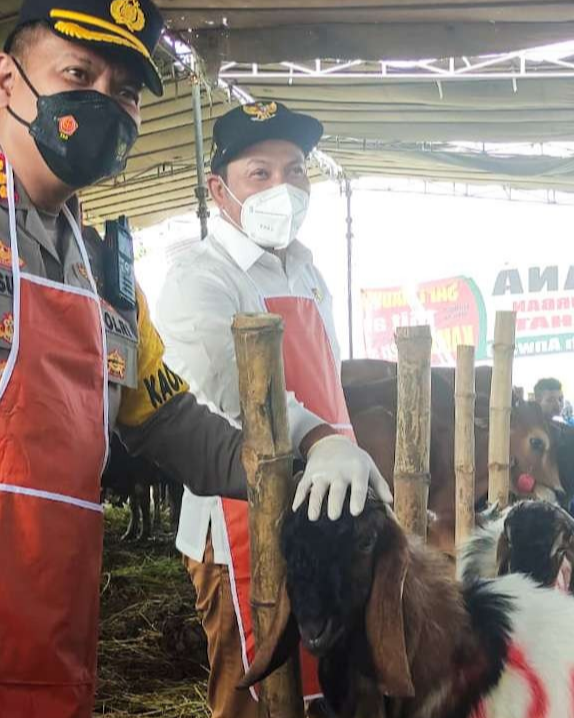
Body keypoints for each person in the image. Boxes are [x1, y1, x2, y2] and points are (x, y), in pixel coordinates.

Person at [0, 4, 387, 717]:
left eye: (125, 91)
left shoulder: (108, 276)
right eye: (78, 73)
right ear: (6, 80)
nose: (104, 103)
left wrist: (310, 449)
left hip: (53, 651)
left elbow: (173, 422)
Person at [155, 101, 392, 718]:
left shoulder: (308, 268)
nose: (281, 188)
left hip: (328, 501)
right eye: (260, 173)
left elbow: (328, 385)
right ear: (219, 188)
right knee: (254, 690)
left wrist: (349, 451)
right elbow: (229, 394)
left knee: (329, 683)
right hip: (239, 515)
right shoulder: (198, 277)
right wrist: (322, 442)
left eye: (295, 171)